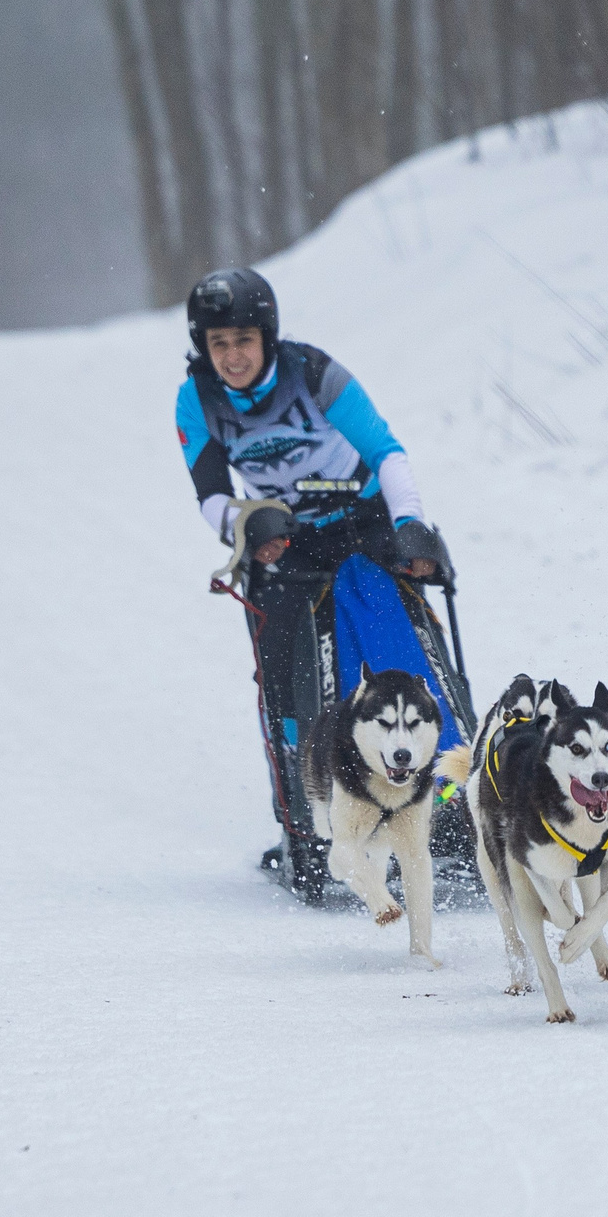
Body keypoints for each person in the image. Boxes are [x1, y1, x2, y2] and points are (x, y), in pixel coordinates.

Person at [174, 267, 456, 880]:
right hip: (288, 538)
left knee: (396, 648)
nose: (232, 356)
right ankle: (306, 822)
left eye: (243, 340)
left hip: (366, 521)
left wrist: (411, 523)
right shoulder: (196, 400)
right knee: (283, 672)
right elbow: (209, 495)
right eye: (218, 344)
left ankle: (451, 806)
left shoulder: (314, 374)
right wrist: (244, 525)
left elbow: (388, 452)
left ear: (267, 337)